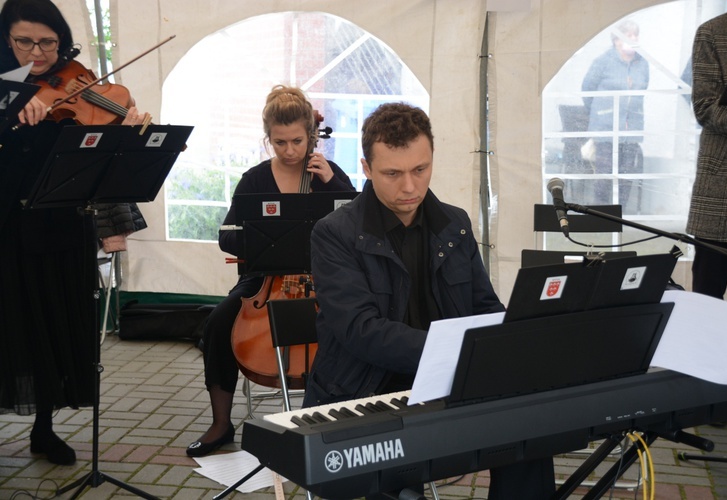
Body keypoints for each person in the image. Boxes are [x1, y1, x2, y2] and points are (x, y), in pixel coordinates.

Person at [302, 102, 555, 499]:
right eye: (393, 173)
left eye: (420, 170)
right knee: (396, 485)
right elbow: (361, 331)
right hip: (364, 395)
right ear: (366, 169)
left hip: (445, 385)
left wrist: (509, 345)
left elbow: (484, 307)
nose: (410, 187)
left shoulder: (453, 224)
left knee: (529, 439)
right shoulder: (333, 234)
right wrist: (456, 352)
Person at [0, 0, 149, 466]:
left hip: (61, 223)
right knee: (9, 326)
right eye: (25, 41)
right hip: (6, 225)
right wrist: (18, 100)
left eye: (49, 42)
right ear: (6, 39)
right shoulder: (5, 84)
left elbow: (95, 147)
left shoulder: (76, 82)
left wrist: (129, 133)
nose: (39, 52)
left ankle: (44, 429)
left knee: (54, 322)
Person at [186, 85, 355, 457]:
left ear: (311, 135)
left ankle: (332, 417)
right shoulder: (254, 180)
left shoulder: (328, 174)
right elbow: (227, 235)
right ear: (268, 139)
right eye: (280, 143)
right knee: (217, 323)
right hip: (263, 281)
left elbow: (360, 223)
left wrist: (334, 183)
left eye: (297, 141)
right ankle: (220, 423)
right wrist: (264, 242)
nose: (290, 151)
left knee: (351, 323)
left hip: (322, 278)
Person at [686, 0, 727, 300]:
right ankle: (703, 344)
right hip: (724, 179)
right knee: (707, 294)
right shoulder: (714, 32)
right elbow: (705, 109)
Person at [581, 19, 649, 211]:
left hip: (631, 129)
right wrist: (600, 114)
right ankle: (601, 216)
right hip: (606, 129)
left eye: (636, 35)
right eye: (629, 35)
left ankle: (619, 214)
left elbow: (643, 90)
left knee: (626, 174)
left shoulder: (643, 63)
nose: (634, 39)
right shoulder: (603, 61)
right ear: (617, 40)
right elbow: (587, 90)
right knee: (605, 174)